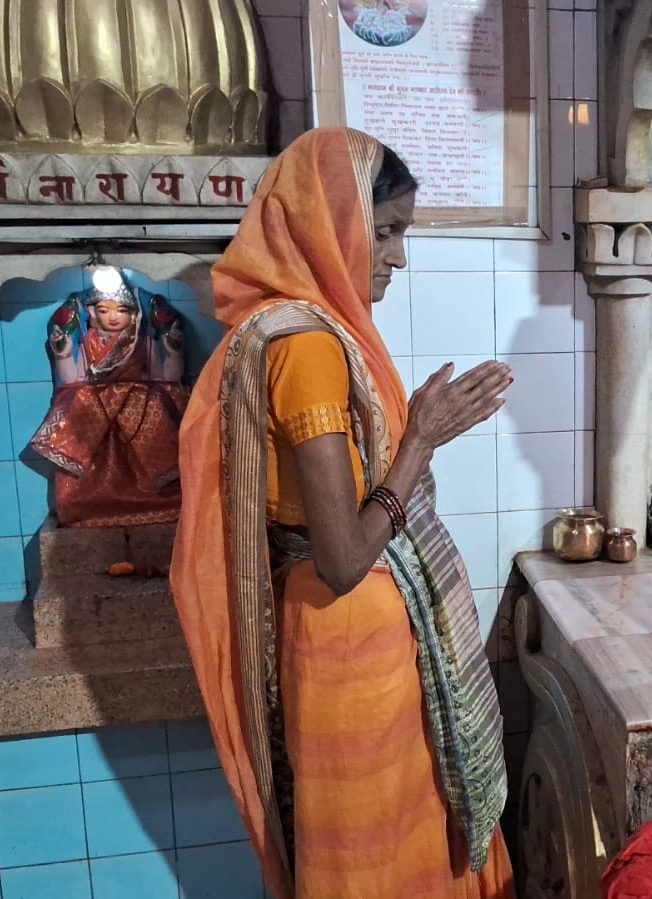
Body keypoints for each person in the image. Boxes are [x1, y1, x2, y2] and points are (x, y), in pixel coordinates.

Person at [171, 127, 514, 898]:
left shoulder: (281, 330)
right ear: (332, 222)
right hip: (352, 640)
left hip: (338, 634)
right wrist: (421, 440)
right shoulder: (309, 348)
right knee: (384, 860)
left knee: (386, 849)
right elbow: (344, 553)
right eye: (386, 231)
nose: (397, 255)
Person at [28, 264, 187, 527]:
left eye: (122, 310)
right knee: (82, 420)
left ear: (134, 315)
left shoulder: (141, 341)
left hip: (139, 413)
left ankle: (159, 500)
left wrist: (173, 352)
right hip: (95, 416)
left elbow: (165, 378)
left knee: (155, 415)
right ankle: (87, 505)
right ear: (91, 314)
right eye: (104, 310)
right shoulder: (88, 341)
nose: (113, 317)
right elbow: (72, 381)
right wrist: (64, 354)